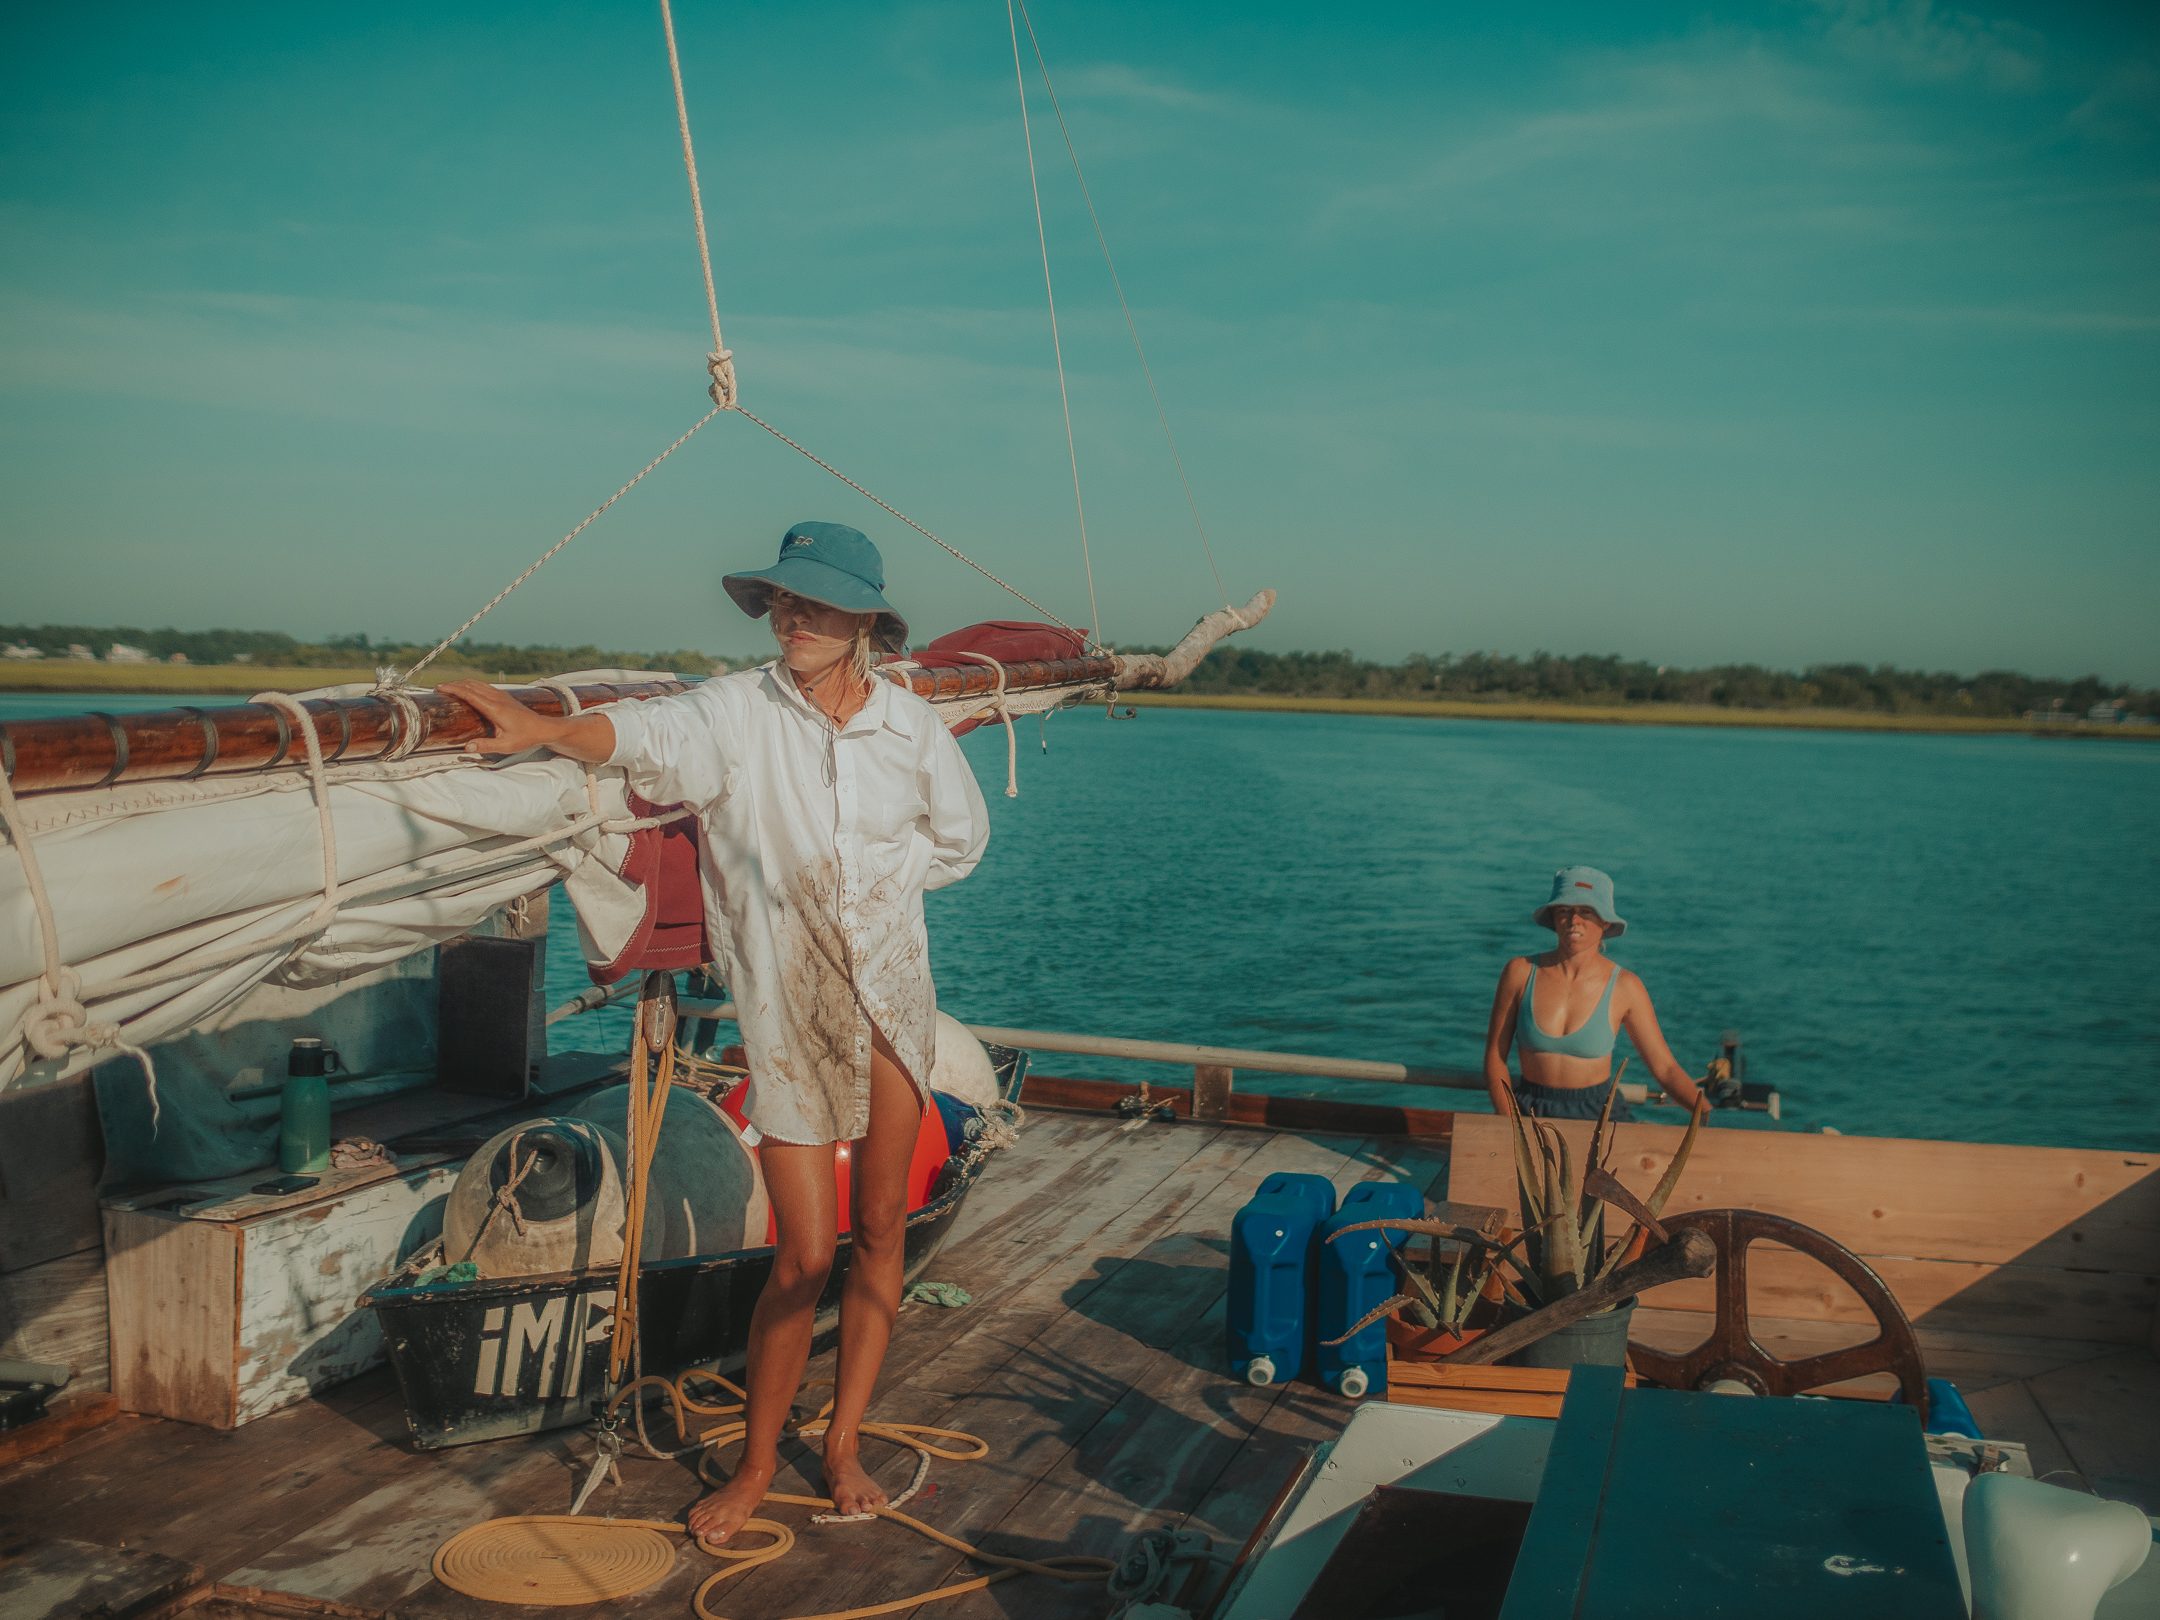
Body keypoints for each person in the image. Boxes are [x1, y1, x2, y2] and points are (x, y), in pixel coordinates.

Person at [441, 519, 990, 1547]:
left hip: (892, 997)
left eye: (814, 601)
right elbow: (644, 735)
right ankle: (755, 1464)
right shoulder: (736, 713)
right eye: (782, 599)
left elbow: (961, 843)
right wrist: (542, 727)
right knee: (805, 1257)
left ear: (864, 620)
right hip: (788, 1012)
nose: (791, 616)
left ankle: (842, 1445)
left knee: (882, 1230)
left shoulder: (910, 729)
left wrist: (879, 886)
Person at [1482, 866, 1706, 1121]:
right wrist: (1509, 1121)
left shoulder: (1626, 986)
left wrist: (1707, 1112)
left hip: (1599, 1114)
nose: (1574, 920)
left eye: (1586, 911)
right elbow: (1495, 1057)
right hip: (1528, 1110)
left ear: (1605, 921)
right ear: (1553, 917)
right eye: (1564, 910)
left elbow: (1665, 1068)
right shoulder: (1520, 972)